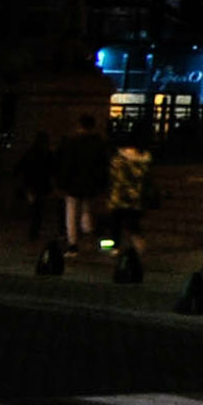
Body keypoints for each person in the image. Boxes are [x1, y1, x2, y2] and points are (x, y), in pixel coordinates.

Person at [50, 117, 111, 257]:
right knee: (87, 209)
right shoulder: (99, 144)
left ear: (79, 126)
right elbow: (103, 166)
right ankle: (88, 232)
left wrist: (61, 183)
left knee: (71, 213)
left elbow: (66, 165)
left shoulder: (72, 143)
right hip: (91, 184)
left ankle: (73, 244)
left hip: (73, 184)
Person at [103, 130, 150, 285]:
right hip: (136, 198)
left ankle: (115, 247)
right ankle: (139, 247)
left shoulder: (119, 160)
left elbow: (114, 178)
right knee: (134, 225)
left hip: (119, 198)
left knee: (116, 224)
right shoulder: (143, 160)